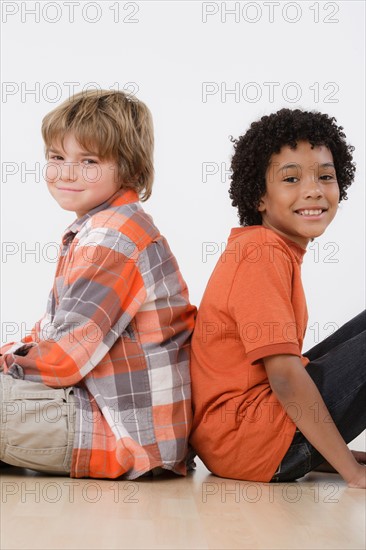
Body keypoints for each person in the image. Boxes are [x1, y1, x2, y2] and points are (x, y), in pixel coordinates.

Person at [0, 89, 196, 480]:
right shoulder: (96, 228)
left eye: (88, 161)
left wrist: (5, 362)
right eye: (57, 157)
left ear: (131, 170)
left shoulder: (116, 237)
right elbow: (51, 331)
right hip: (107, 416)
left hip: (118, 433)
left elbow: (63, 360)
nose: (66, 173)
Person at [189, 108, 366, 488]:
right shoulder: (261, 253)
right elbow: (284, 376)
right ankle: (308, 451)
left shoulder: (271, 249)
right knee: (292, 365)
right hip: (250, 442)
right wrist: (353, 474)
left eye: (325, 176)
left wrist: (339, 458)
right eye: (291, 178)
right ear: (259, 197)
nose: (313, 189)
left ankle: (316, 450)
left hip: (246, 440)